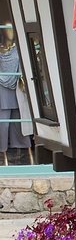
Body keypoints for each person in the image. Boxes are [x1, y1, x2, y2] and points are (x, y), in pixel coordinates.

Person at [0, 24, 33, 164]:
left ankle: (28, 155)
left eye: (12, 28)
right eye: (7, 28)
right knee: (3, 125)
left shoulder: (19, 50)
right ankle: (4, 156)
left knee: (19, 124)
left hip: (17, 91)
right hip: (3, 93)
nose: (10, 32)